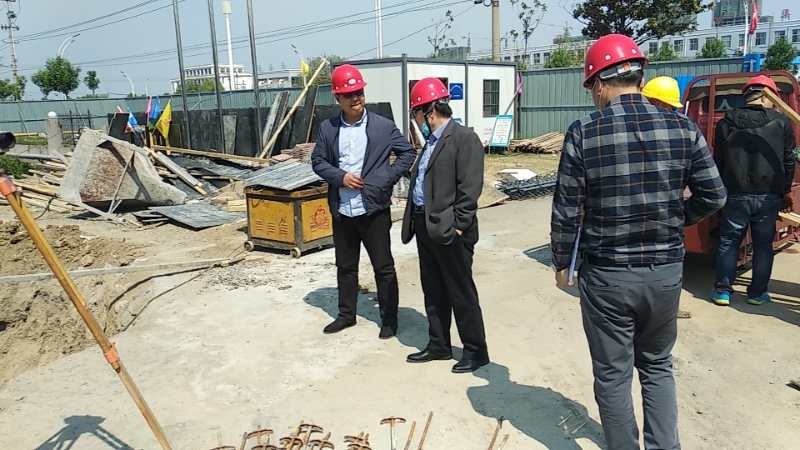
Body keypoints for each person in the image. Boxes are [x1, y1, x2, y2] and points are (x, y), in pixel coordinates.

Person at [551, 34, 727, 449]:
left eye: (591, 88)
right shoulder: (683, 128)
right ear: (639, 77)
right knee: (658, 365)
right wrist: (674, 219)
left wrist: (561, 263)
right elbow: (714, 195)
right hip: (664, 274)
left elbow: (567, 208)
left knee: (613, 374)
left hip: (608, 276)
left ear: (599, 83)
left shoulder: (584, 132)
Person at [311, 64, 415, 338]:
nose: (356, 98)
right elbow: (318, 161)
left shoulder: (382, 126)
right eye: (349, 94)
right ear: (338, 98)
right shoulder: (328, 129)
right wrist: (341, 177)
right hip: (343, 210)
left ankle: (389, 319)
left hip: (373, 210)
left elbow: (407, 153)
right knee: (346, 267)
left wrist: (385, 178)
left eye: (359, 92)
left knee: (383, 267)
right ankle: (346, 315)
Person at [400, 77, 489, 374]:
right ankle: (439, 344)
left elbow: (470, 188)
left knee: (460, 292)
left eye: (416, 113)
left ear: (428, 111)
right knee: (434, 290)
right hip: (426, 226)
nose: (416, 120)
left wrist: (459, 226)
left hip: (451, 231)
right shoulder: (430, 142)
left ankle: (475, 351)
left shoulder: (464, 138)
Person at [711, 75, 796, 306]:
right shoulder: (781, 122)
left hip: (734, 194)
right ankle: (757, 294)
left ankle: (722, 291)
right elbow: (788, 160)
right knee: (763, 246)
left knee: (729, 242)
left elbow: (718, 160)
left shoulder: (726, 122)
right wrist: (786, 191)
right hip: (768, 195)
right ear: (769, 96)